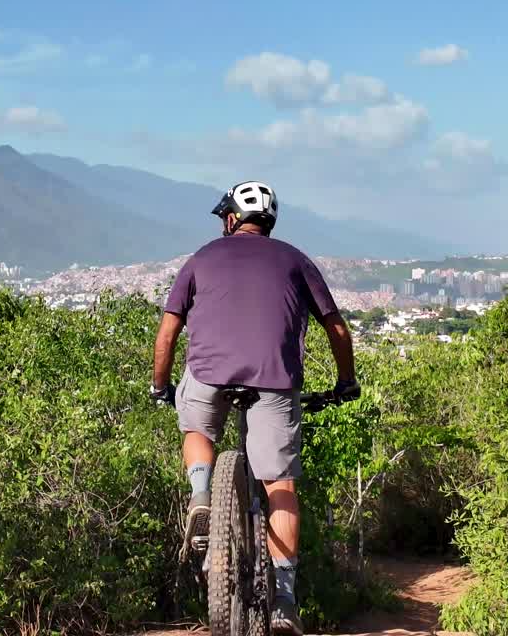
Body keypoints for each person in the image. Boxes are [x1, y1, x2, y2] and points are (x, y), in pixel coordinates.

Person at [150, 180, 360, 636]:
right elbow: (337, 331)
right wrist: (346, 382)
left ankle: (202, 497)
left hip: (208, 375)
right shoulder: (294, 259)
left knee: (198, 432)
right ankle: (284, 599)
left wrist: (160, 386)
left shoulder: (202, 257)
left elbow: (166, 334)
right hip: (274, 378)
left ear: (231, 219)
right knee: (279, 482)